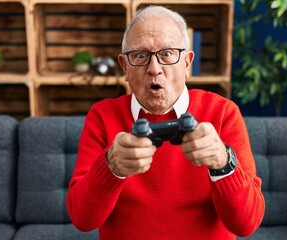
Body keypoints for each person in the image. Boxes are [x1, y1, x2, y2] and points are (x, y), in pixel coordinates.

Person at [67, 5, 265, 240]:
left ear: (187, 63)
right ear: (125, 67)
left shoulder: (223, 113)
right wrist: (111, 167)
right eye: (140, 56)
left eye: (167, 53)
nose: (154, 69)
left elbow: (246, 224)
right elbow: (82, 220)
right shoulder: (102, 116)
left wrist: (223, 163)